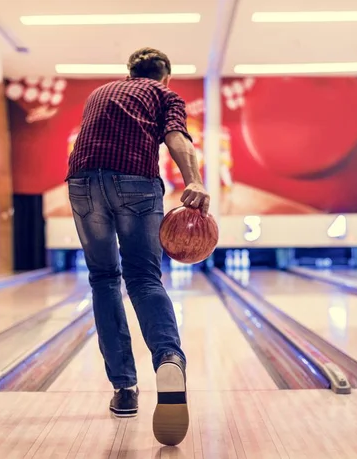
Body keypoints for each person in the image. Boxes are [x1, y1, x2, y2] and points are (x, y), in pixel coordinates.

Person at [65, 47, 210, 446]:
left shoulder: (99, 93)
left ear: (128, 72)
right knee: (144, 278)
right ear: (165, 77)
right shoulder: (165, 95)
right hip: (135, 183)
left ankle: (124, 389)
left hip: (82, 185)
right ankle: (168, 358)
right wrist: (193, 180)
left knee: (103, 280)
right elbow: (176, 138)